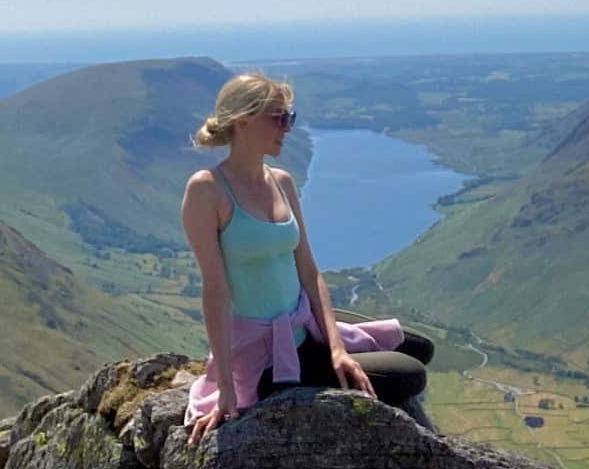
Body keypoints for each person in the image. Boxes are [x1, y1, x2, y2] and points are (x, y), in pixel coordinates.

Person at [182, 72, 433, 442]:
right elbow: (216, 291)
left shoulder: (281, 181)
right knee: (410, 374)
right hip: (265, 354)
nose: (288, 127)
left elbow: (309, 272)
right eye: (278, 117)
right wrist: (226, 388)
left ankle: (331, 351)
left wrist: (336, 349)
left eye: (290, 117)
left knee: (420, 346)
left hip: (303, 321)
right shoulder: (207, 190)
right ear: (244, 120)